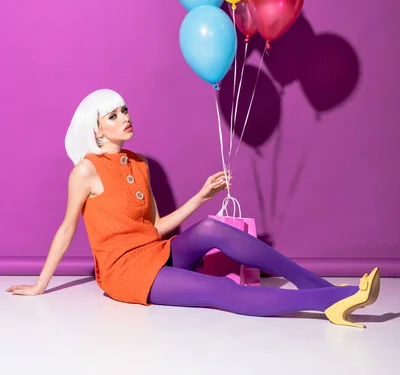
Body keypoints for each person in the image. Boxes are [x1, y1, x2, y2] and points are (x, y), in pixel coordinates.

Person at [6, 89, 380, 328]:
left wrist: (201, 197)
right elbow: (68, 227)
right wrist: (40, 285)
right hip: (126, 273)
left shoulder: (138, 163)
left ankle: (319, 285)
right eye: (114, 115)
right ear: (98, 129)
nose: (125, 117)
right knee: (220, 290)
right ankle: (333, 298)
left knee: (212, 228)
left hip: (156, 251)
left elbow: (155, 224)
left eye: (124, 109)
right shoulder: (85, 171)